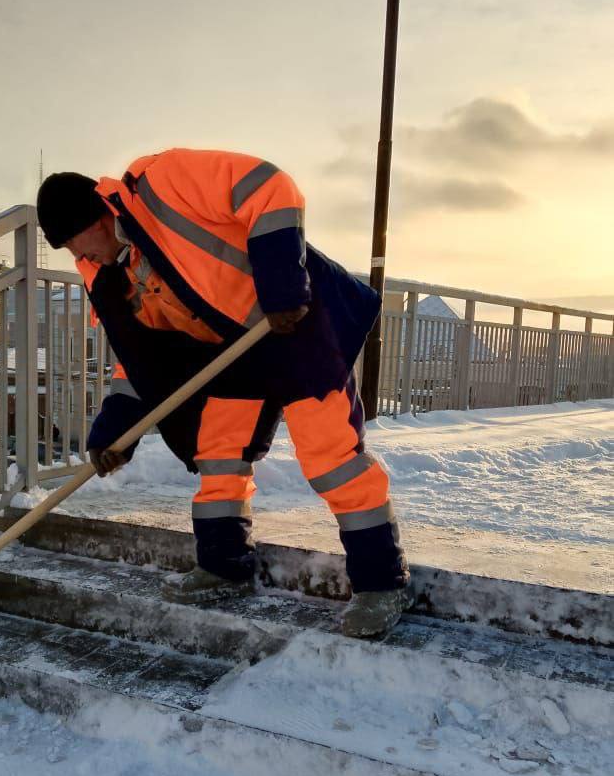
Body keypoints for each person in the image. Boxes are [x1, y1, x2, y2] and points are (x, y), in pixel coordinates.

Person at [36, 149, 410, 636]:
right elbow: (139, 357)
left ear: (97, 216)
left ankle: (382, 582)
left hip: (296, 322)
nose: (79, 257)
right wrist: (115, 431)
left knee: (330, 456)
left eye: (75, 242)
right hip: (235, 353)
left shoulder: (160, 183)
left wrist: (281, 286)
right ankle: (224, 564)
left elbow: (270, 187)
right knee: (219, 454)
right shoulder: (111, 278)